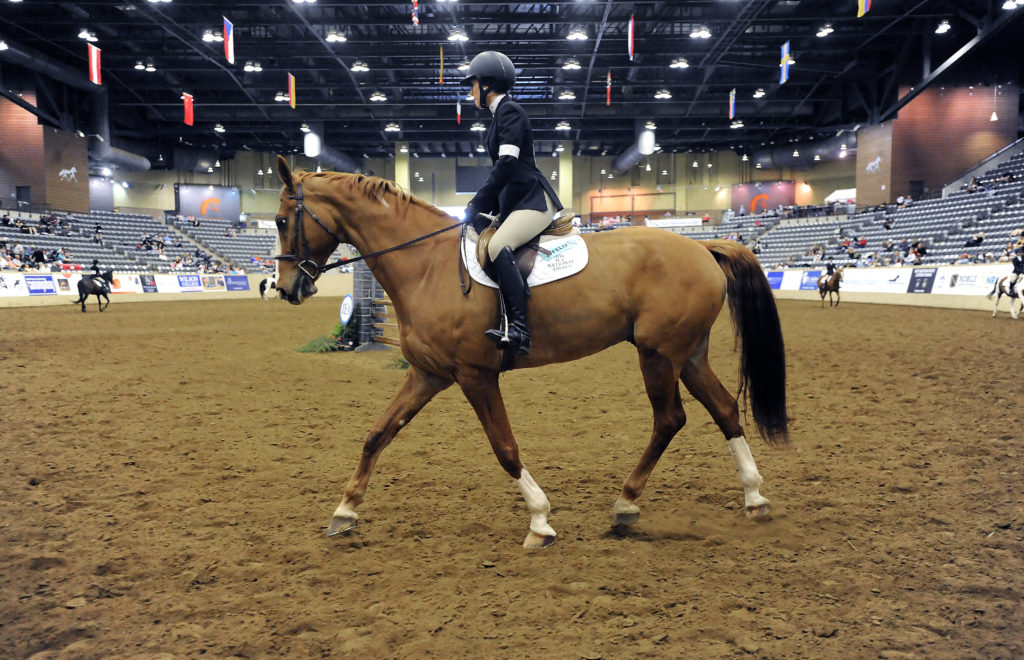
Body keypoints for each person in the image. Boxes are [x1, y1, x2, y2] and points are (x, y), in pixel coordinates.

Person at [461, 50, 564, 356]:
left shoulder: (510, 112)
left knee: (495, 247)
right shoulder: (498, 118)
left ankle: (519, 329)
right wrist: (486, 211)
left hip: (534, 201)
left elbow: (507, 163)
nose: (471, 91)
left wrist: (479, 200)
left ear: (487, 84)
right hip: (515, 203)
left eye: (473, 84)